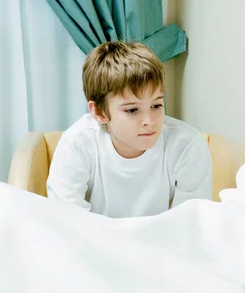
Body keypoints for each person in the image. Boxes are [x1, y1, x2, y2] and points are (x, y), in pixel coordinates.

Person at [47, 41, 213, 218]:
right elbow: (68, 222)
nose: (149, 121)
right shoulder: (77, 143)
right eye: (132, 110)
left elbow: (190, 226)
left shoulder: (187, 145)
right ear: (99, 112)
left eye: (156, 105)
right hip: (94, 243)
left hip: (164, 244)